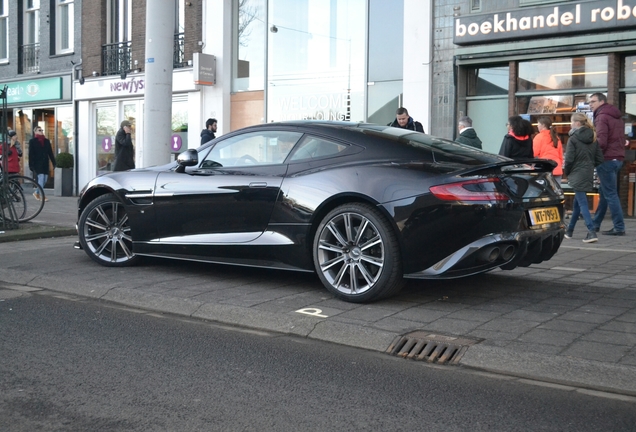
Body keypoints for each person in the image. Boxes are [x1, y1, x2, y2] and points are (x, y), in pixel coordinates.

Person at [563, 113, 604, 243]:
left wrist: (568, 173)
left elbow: (569, 160)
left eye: (571, 122)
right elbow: (599, 159)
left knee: (582, 203)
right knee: (577, 203)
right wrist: (592, 168)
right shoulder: (593, 137)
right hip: (587, 173)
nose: (570, 124)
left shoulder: (573, 138)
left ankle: (591, 231)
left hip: (576, 172)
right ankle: (569, 231)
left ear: (577, 123)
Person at [588, 93, 626, 236]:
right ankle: (595, 224)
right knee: (605, 193)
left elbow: (601, 142)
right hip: (617, 158)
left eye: (593, 101)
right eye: (589, 102)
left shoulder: (602, 116)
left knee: (610, 194)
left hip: (606, 159)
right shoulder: (616, 117)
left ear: (602, 102)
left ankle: (619, 227)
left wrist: (592, 154)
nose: (591, 104)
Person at [28, 126, 56, 201]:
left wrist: (54, 163)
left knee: (45, 180)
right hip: (37, 163)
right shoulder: (32, 141)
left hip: (45, 163)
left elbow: (50, 153)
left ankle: (36, 192)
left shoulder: (46, 141)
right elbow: (31, 154)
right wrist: (31, 165)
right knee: (41, 178)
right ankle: (43, 196)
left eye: (42, 130)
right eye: (39, 130)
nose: (41, 131)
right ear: (35, 132)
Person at [532, 117, 563, 183]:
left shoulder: (539, 137)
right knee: (556, 191)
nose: (537, 126)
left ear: (543, 125)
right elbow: (560, 155)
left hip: (544, 168)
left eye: (538, 124)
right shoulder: (556, 137)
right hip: (556, 168)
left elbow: (534, 153)